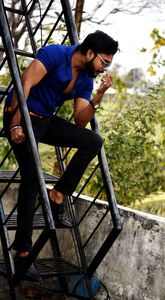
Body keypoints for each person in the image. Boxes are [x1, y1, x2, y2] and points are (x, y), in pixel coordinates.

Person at [3, 30, 119, 280]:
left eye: (109, 64)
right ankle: (23, 252)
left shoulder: (86, 78)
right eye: (104, 62)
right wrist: (15, 124)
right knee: (32, 177)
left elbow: (80, 120)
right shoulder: (56, 54)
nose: (105, 68)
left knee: (92, 141)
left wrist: (98, 96)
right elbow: (24, 84)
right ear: (90, 53)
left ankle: (58, 194)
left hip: (44, 121)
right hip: (20, 115)